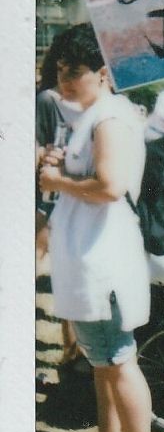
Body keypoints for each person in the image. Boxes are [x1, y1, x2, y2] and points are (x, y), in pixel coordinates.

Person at [38, 23, 155, 432]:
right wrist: (61, 168)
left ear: (103, 73)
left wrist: (56, 182)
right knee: (103, 361)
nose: (66, 80)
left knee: (119, 361)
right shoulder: (93, 115)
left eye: (77, 71)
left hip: (103, 262)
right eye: (62, 71)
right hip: (89, 258)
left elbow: (109, 185)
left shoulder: (109, 118)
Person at [36, 31, 85, 363]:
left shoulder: (91, 103)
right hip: (47, 198)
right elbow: (37, 146)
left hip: (73, 198)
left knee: (70, 274)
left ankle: (72, 350)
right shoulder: (48, 100)